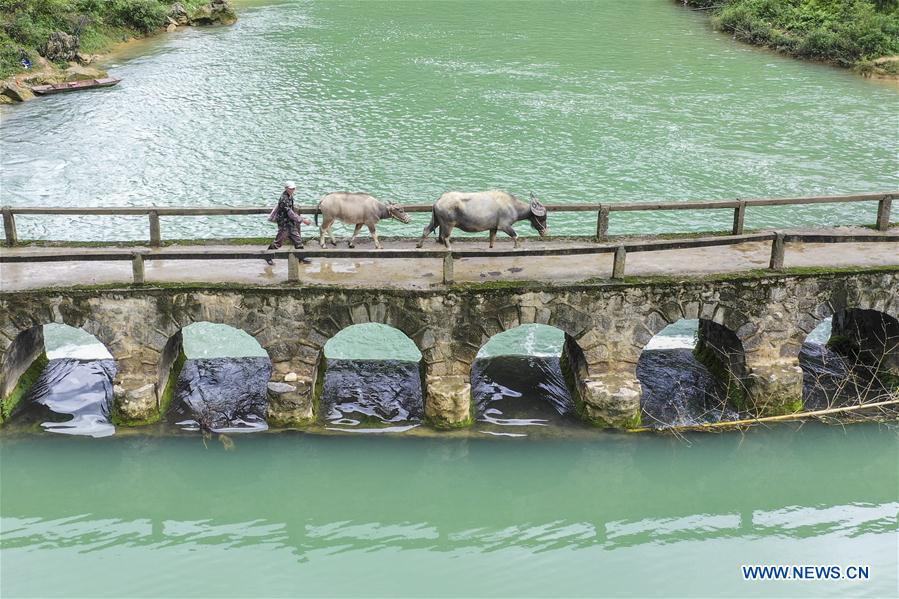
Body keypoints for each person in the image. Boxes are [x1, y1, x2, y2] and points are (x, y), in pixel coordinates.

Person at [265, 181, 311, 266]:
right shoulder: (284, 199)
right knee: (278, 242)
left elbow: (292, 212)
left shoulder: (290, 197)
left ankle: (301, 257)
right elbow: (290, 213)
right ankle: (268, 256)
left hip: (291, 223)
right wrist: (303, 220)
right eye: (291, 189)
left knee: (298, 240)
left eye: (293, 188)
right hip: (284, 224)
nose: (292, 190)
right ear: (286, 188)